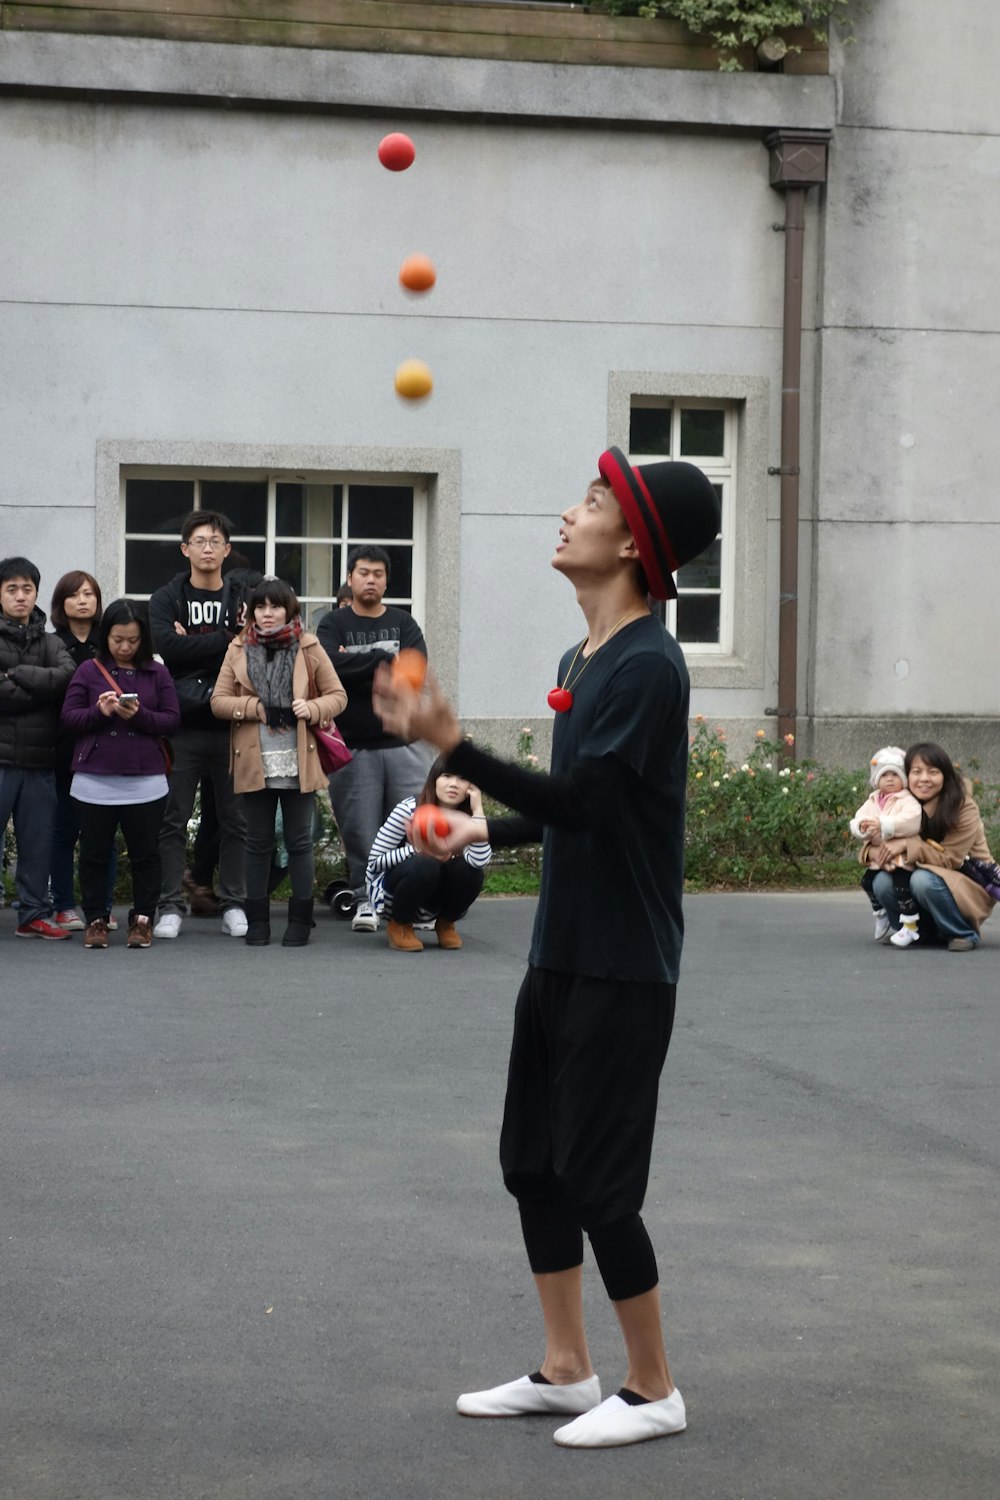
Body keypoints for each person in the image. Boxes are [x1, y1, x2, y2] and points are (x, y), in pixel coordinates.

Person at [373, 445, 720, 1448]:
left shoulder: (650, 664)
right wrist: (484, 828)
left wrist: (455, 749)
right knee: (534, 1164)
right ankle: (568, 1370)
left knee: (600, 1179)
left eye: (593, 501)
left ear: (635, 541)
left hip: (623, 962)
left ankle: (653, 1387)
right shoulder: (583, 661)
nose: (569, 514)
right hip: (563, 953)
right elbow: (582, 813)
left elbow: (593, 802)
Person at [211, 578, 346, 947]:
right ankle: (257, 921)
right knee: (257, 843)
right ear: (251, 611)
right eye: (260, 607)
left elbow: (338, 696)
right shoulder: (237, 647)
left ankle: (300, 921)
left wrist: (313, 708)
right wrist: (255, 707)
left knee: (299, 842)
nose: (267, 614)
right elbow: (219, 701)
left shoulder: (309, 645)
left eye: (275, 607)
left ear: (289, 610)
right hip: (255, 758)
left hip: (298, 757)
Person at [147, 510, 261, 939]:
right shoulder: (165, 598)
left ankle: (234, 901)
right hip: (182, 726)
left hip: (234, 726)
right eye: (200, 541)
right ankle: (170, 905)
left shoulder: (245, 595)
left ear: (227, 549)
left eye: (216, 541)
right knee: (172, 818)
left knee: (236, 820)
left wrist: (193, 643)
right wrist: (224, 640)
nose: (208, 548)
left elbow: (252, 647)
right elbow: (166, 648)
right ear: (185, 549)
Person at [316, 545, 430, 935]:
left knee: (414, 827)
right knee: (360, 831)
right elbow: (327, 665)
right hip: (353, 745)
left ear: (386, 580)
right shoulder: (332, 623)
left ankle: (414, 899)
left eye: (378, 573)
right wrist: (383, 658)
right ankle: (366, 898)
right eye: (363, 572)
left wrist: (357, 662)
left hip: (404, 743)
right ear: (350, 578)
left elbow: (413, 671)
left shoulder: (404, 621)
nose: (371, 579)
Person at [59, 599, 180, 948]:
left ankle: (142, 920)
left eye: (132, 640)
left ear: (144, 639)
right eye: (117, 639)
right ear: (105, 636)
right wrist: (99, 712)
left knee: (146, 854)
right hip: (94, 780)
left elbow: (172, 721)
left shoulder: (157, 672)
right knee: (94, 854)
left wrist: (138, 716)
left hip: (145, 782)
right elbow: (69, 719)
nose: (125, 647)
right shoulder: (88, 671)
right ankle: (96, 919)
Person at [0, 556, 76, 939]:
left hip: (39, 761)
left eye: (27, 589)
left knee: (38, 844)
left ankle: (32, 914)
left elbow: (67, 678)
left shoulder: (51, 641)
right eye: (12, 589)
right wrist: (40, 691)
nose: (20, 596)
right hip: (0, 760)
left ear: (36, 593)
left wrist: (15, 675)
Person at [869, 742, 996, 952]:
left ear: (945, 776)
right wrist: (876, 852)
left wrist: (905, 844)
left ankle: (962, 932)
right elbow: (870, 841)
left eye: (933, 772)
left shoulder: (963, 806)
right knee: (882, 881)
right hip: (928, 876)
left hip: (968, 882)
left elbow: (950, 859)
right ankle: (918, 931)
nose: (924, 779)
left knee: (922, 880)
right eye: (916, 772)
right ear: (906, 776)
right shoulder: (903, 803)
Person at [47, 570, 118, 932]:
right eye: (74, 595)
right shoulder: (51, 644)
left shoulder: (110, 644)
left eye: (89, 593)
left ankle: (102, 907)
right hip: (64, 748)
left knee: (102, 833)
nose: (83, 600)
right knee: (64, 832)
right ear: (61, 603)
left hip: (104, 750)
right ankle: (63, 905)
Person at [366, 755, 491, 951]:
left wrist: (478, 813)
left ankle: (446, 924)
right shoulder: (409, 809)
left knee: (470, 871)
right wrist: (417, 850)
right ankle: (399, 926)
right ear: (434, 780)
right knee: (425, 863)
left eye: (462, 778)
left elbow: (479, 863)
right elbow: (374, 864)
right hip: (392, 897)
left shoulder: (467, 819)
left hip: (433, 902)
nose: (454, 784)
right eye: (447, 776)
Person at [850, 745, 922, 946]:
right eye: (884, 775)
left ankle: (910, 926)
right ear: (876, 779)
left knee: (902, 888)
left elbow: (911, 821)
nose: (889, 779)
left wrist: (884, 824)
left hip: (900, 858)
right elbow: (858, 818)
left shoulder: (907, 800)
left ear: (904, 779)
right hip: (880, 857)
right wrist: (862, 828)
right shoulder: (873, 800)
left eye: (895, 774)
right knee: (867, 882)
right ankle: (880, 913)